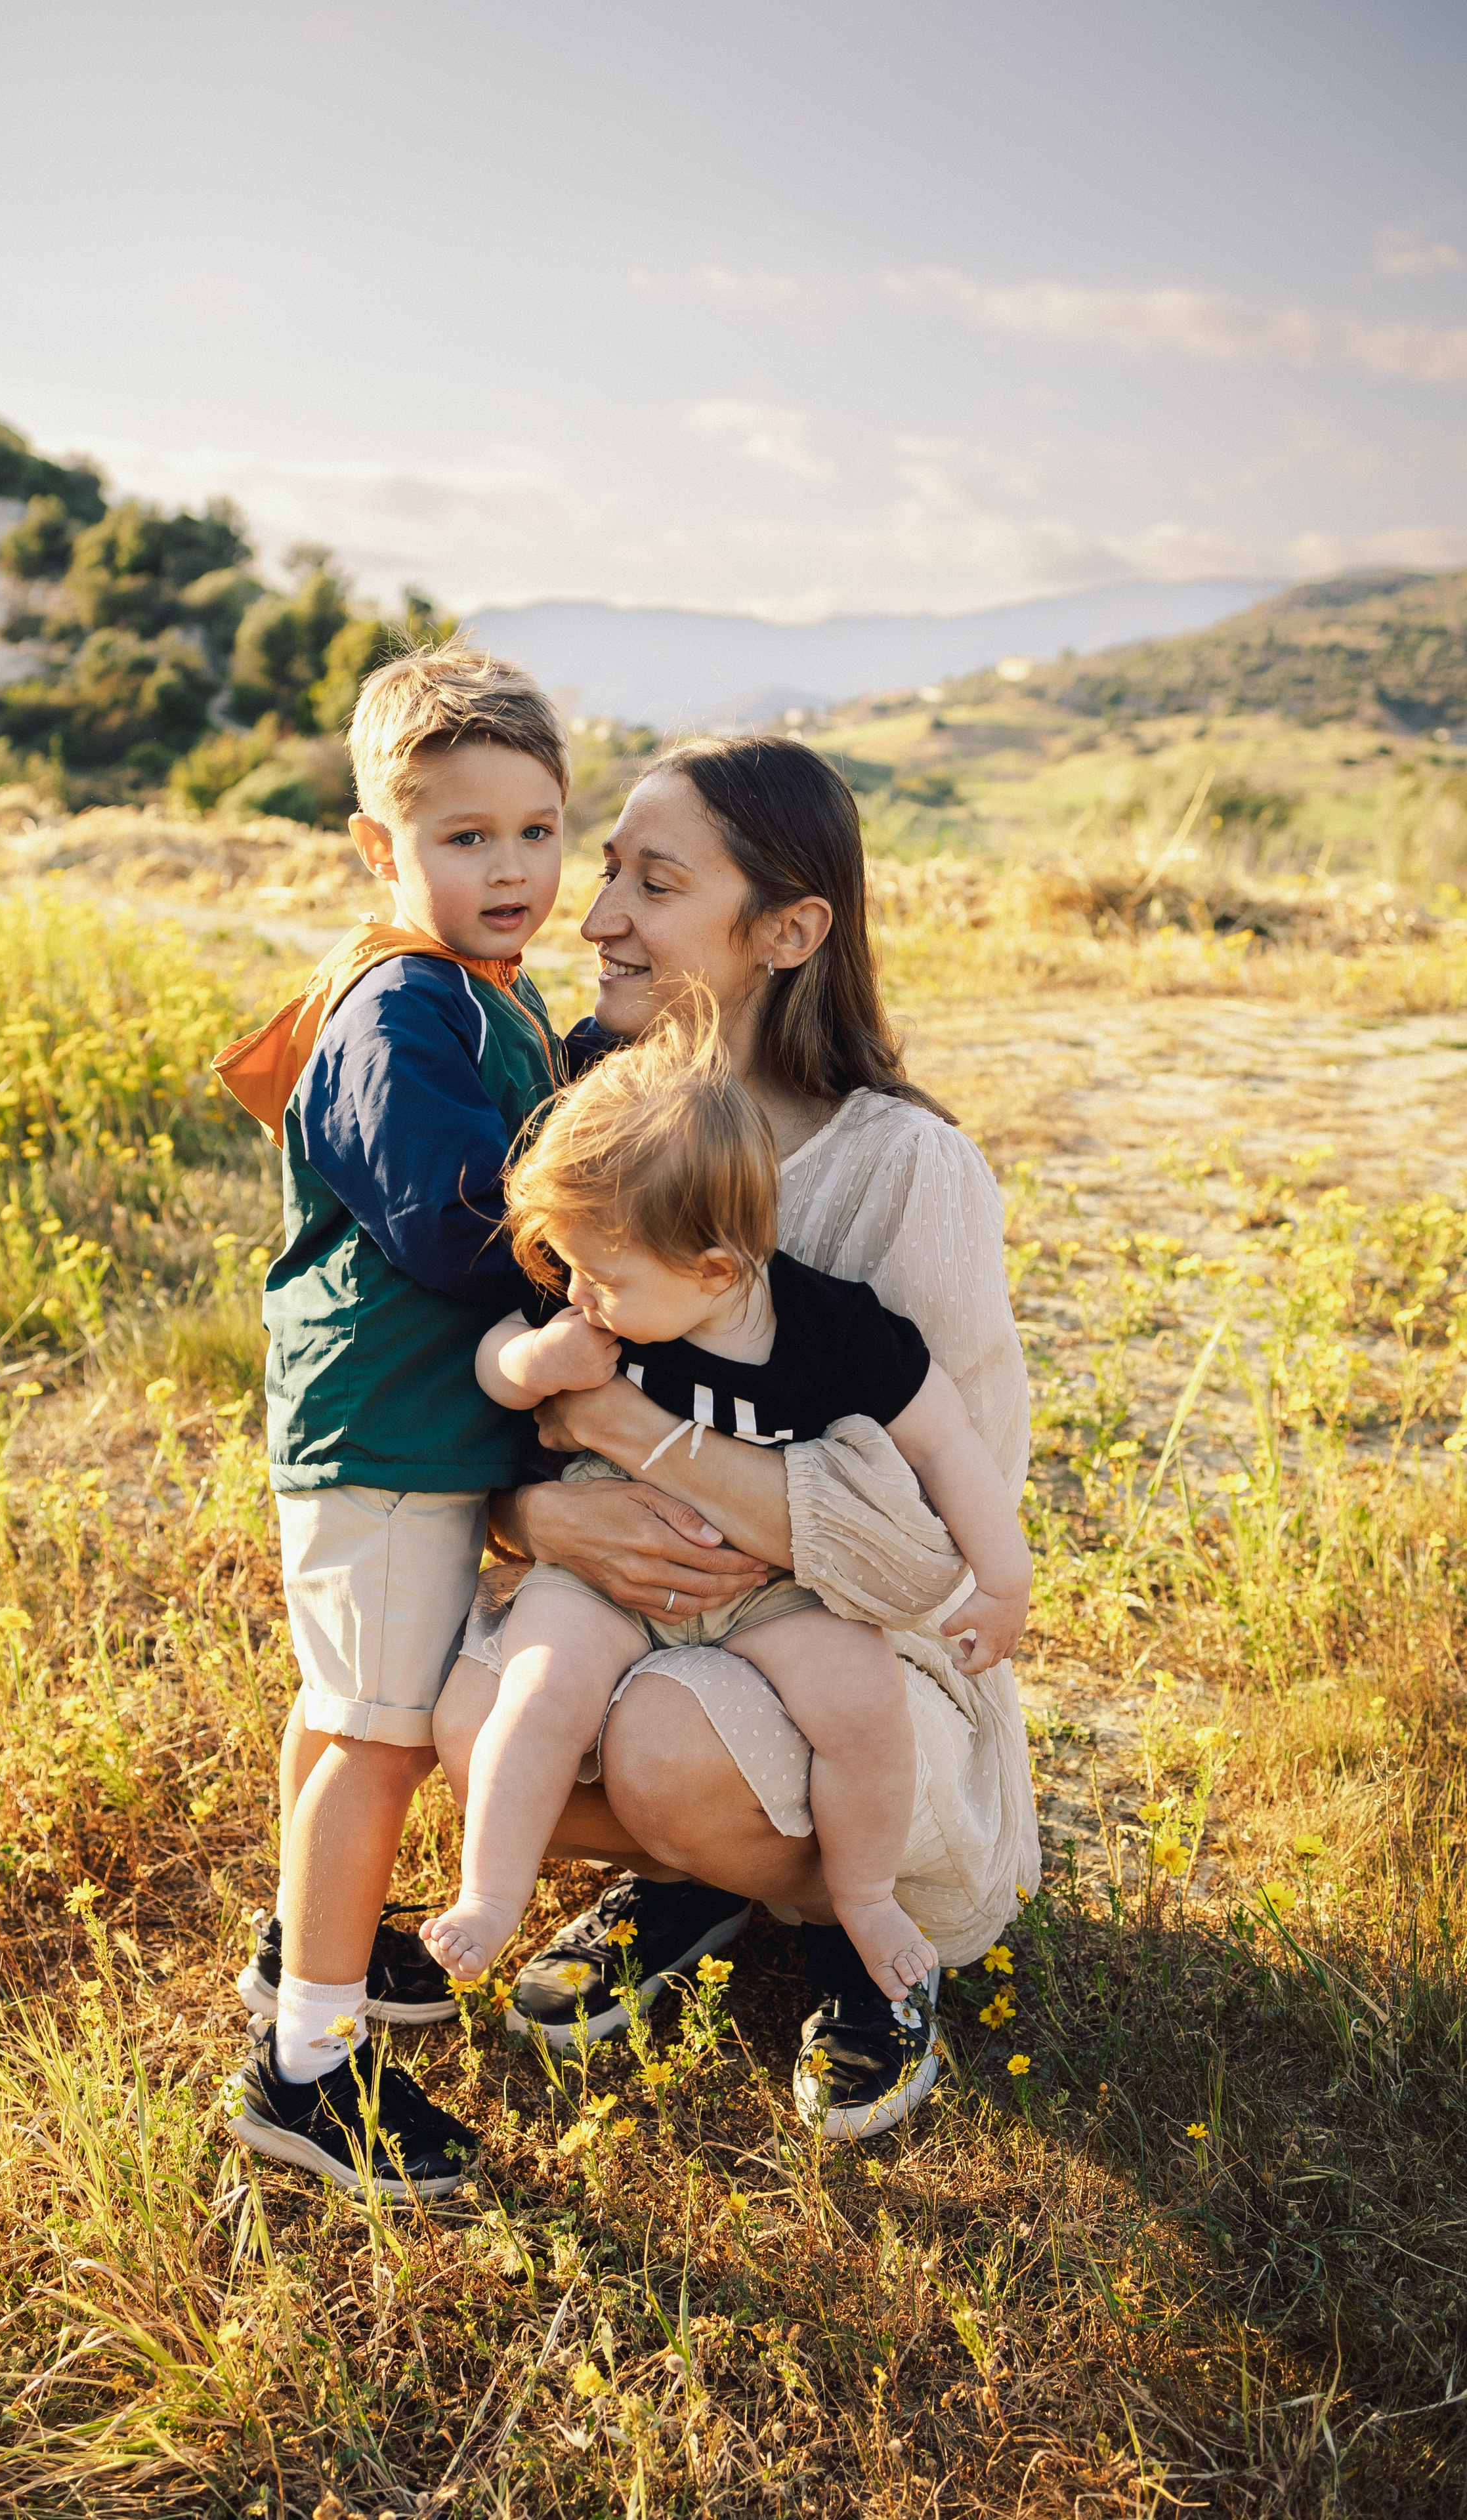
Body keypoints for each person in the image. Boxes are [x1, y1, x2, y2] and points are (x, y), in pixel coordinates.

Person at [432, 734, 1038, 2139]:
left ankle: (858, 1944)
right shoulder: (590, 1111)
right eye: (606, 877)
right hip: (638, 1608)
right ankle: (708, 1881)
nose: (593, 923)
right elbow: (497, 1384)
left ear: (787, 929)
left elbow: (927, 1552)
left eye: (653, 884)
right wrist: (526, 1518)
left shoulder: (903, 1170)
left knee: (658, 1744)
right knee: (457, 1706)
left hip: (861, 1658)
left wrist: (631, 1430)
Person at [421, 998, 1032, 2004]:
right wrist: (537, 1360)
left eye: (598, 1277)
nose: (576, 1293)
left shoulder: (829, 1329)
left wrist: (1003, 1574)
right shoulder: (597, 1300)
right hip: (608, 1573)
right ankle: (489, 1892)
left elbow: (947, 1441)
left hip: (772, 1589)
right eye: (566, 1270)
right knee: (537, 1694)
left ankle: (866, 1901)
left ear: (717, 1268)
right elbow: (496, 1364)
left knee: (864, 1706)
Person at [215, 639, 571, 2196]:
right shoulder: (398, 1010)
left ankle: (310, 1933)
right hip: (381, 1435)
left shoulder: (489, 989)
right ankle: (304, 2070)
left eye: (538, 831)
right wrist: (606, 1268)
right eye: (464, 837)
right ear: (383, 846)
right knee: (377, 1735)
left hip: (411, 1431)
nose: (510, 868)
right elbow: (446, 1224)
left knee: (341, 1708)